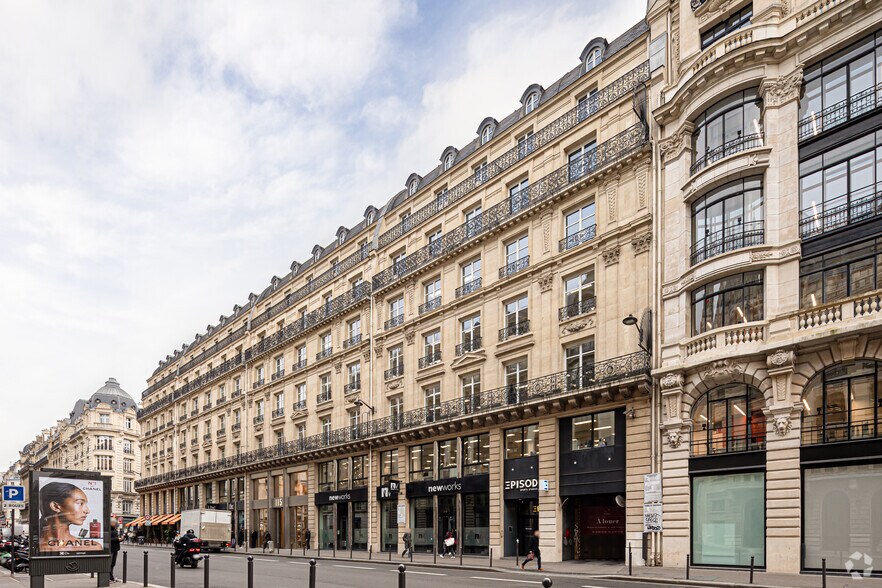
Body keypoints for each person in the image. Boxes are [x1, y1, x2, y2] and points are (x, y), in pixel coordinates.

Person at [38, 481, 102, 552]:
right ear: (55, 506)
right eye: (80, 503)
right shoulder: (37, 548)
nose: (87, 511)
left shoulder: (92, 547)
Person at [109, 518, 121, 582]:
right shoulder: (108, 529)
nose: (115, 523)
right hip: (111, 549)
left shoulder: (114, 529)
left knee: (113, 563)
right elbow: (108, 539)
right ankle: (110, 577)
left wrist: (120, 540)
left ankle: (111, 577)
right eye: (114, 523)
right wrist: (117, 539)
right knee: (110, 564)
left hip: (115, 548)